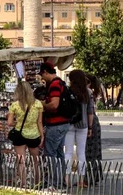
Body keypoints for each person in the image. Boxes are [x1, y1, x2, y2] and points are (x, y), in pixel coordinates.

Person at [7, 81, 44, 188]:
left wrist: (17, 123)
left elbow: (9, 123)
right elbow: (39, 122)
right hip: (34, 134)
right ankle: (38, 183)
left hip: (19, 135)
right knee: (36, 161)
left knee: (21, 160)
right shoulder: (38, 104)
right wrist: (42, 136)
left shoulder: (14, 105)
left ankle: (23, 184)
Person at [40, 61, 70, 190]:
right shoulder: (61, 83)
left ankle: (53, 184)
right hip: (63, 123)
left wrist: (42, 105)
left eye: (42, 75)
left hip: (56, 124)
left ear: (46, 72)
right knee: (59, 154)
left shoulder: (55, 85)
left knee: (50, 154)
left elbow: (54, 105)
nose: (42, 78)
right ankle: (61, 184)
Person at [64, 69, 94, 188]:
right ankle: (81, 180)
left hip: (69, 124)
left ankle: (67, 179)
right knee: (81, 153)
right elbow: (90, 111)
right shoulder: (88, 92)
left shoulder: (67, 91)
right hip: (83, 125)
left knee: (68, 152)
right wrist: (90, 127)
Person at [85, 74, 103, 184]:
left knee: (89, 152)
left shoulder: (88, 92)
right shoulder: (92, 92)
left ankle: (89, 178)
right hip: (94, 122)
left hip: (90, 122)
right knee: (95, 152)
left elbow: (89, 111)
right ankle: (94, 176)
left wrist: (89, 127)